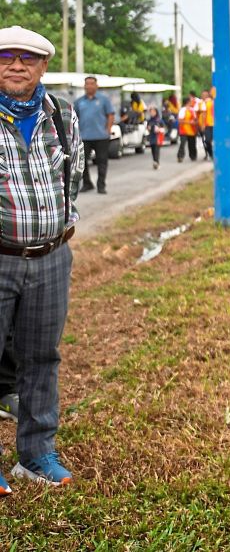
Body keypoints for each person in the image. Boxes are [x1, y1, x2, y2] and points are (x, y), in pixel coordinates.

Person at [0, 26, 84, 494]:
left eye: (27, 58)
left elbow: (73, 179)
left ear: (43, 66)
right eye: (6, 56)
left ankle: (36, 455)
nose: (16, 65)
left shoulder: (62, 115)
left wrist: (57, 233)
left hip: (53, 257)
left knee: (41, 358)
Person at [73, 75, 114, 195]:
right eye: (87, 84)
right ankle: (87, 183)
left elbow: (110, 114)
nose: (89, 86)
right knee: (82, 162)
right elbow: (75, 117)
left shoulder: (103, 100)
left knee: (102, 161)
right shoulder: (79, 101)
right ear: (84, 86)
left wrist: (108, 129)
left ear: (97, 86)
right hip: (84, 137)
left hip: (101, 136)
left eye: (92, 83)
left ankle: (101, 185)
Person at [177, 95, 199, 162]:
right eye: (191, 101)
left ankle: (193, 156)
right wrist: (189, 122)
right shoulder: (183, 110)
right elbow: (180, 120)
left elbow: (195, 119)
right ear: (188, 102)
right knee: (182, 143)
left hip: (192, 130)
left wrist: (195, 123)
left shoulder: (192, 110)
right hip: (184, 130)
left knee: (192, 144)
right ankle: (180, 156)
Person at [146, 104, 167, 169]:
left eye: (153, 111)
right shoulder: (149, 120)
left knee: (156, 150)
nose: (152, 113)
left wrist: (159, 129)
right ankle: (155, 161)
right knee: (152, 150)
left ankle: (156, 162)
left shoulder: (159, 120)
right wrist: (148, 128)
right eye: (151, 112)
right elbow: (148, 127)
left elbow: (164, 128)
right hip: (152, 137)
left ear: (156, 112)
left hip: (158, 138)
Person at [197, 88, 214, 160]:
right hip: (205, 124)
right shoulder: (200, 103)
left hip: (209, 124)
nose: (203, 96)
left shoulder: (210, 103)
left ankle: (211, 154)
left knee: (208, 140)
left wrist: (203, 124)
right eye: (202, 95)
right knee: (206, 141)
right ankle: (208, 153)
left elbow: (204, 114)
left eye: (205, 95)